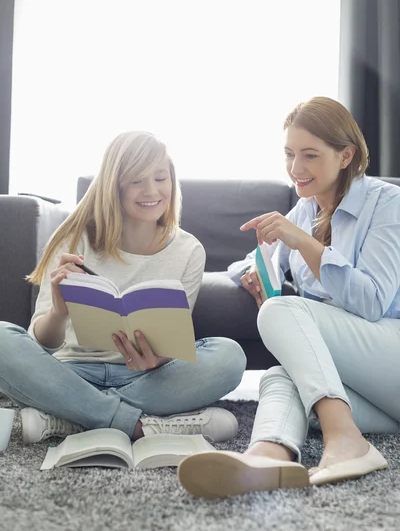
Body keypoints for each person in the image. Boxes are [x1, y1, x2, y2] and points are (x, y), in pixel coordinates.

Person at [178, 96, 400, 499]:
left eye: (310, 155)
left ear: (346, 155)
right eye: (289, 154)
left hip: (391, 353)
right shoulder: (303, 213)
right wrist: (252, 274)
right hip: (375, 391)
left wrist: (304, 244)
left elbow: (371, 303)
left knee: (282, 312)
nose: (296, 169)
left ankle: (345, 439)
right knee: (283, 374)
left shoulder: (387, 203)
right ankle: (268, 456)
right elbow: (255, 258)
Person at [0, 131, 246, 445]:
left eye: (160, 178)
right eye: (136, 181)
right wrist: (59, 313)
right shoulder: (74, 239)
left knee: (229, 356)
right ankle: (138, 425)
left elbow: (173, 344)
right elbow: (43, 344)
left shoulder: (188, 250)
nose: (152, 191)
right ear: (114, 185)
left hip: (144, 378)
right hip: (71, 371)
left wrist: (158, 359)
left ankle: (71, 416)